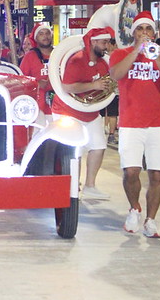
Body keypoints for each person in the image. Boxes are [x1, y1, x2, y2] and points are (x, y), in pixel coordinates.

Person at [109, 11, 160, 238]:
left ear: (154, 32)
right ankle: (134, 209)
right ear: (133, 33)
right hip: (131, 122)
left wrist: (156, 56)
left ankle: (151, 220)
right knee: (131, 171)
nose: (144, 33)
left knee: (156, 175)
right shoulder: (121, 54)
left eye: (148, 29)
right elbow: (116, 74)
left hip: (158, 122)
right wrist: (136, 52)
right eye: (140, 29)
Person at [51, 27, 114, 199]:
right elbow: (67, 86)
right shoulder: (77, 60)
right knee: (74, 150)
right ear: (93, 42)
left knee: (99, 146)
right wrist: (93, 86)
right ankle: (73, 186)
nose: (106, 46)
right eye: (104, 42)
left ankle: (90, 186)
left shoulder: (103, 63)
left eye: (107, 42)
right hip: (68, 111)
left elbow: (107, 84)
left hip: (90, 112)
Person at [20, 23, 54, 118]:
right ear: (36, 38)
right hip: (38, 109)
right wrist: (36, 83)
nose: (45, 36)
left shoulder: (59, 54)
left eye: (47, 33)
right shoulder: (29, 57)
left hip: (59, 108)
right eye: (41, 34)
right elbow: (21, 81)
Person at [101, 38, 120, 145]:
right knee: (113, 114)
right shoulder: (115, 56)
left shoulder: (104, 56)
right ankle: (111, 135)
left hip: (107, 88)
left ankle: (106, 130)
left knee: (108, 113)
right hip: (113, 89)